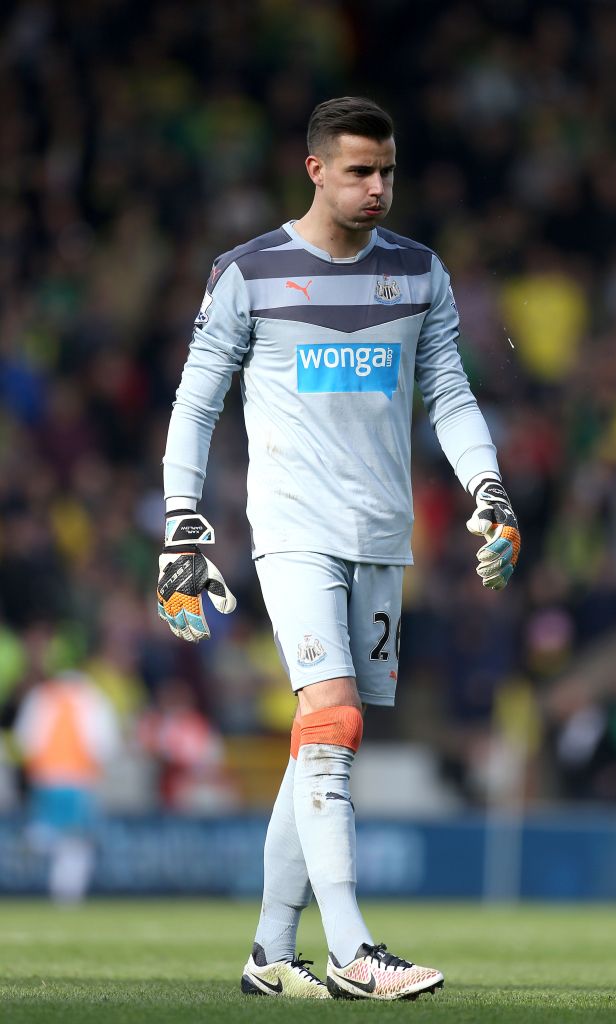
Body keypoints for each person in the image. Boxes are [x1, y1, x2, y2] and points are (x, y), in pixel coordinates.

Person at [157, 96, 520, 1001]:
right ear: (315, 168)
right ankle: (355, 949)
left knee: (322, 739)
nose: (377, 188)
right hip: (290, 529)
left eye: (387, 171)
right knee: (332, 720)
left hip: (380, 536)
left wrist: (489, 488)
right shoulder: (249, 272)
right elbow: (196, 403)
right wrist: (181, 521)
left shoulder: (418, 274)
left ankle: (271, 956)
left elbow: (450, 394)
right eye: (359, 171)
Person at [13, 670, 120, 903]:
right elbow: (105, 741)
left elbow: (25, 739)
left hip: (46, 777)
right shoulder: (93, 698)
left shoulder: (41, 696)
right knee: (76, 840)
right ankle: (66, 892)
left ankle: (37, 838)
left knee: (61, 835)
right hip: (79, 778)